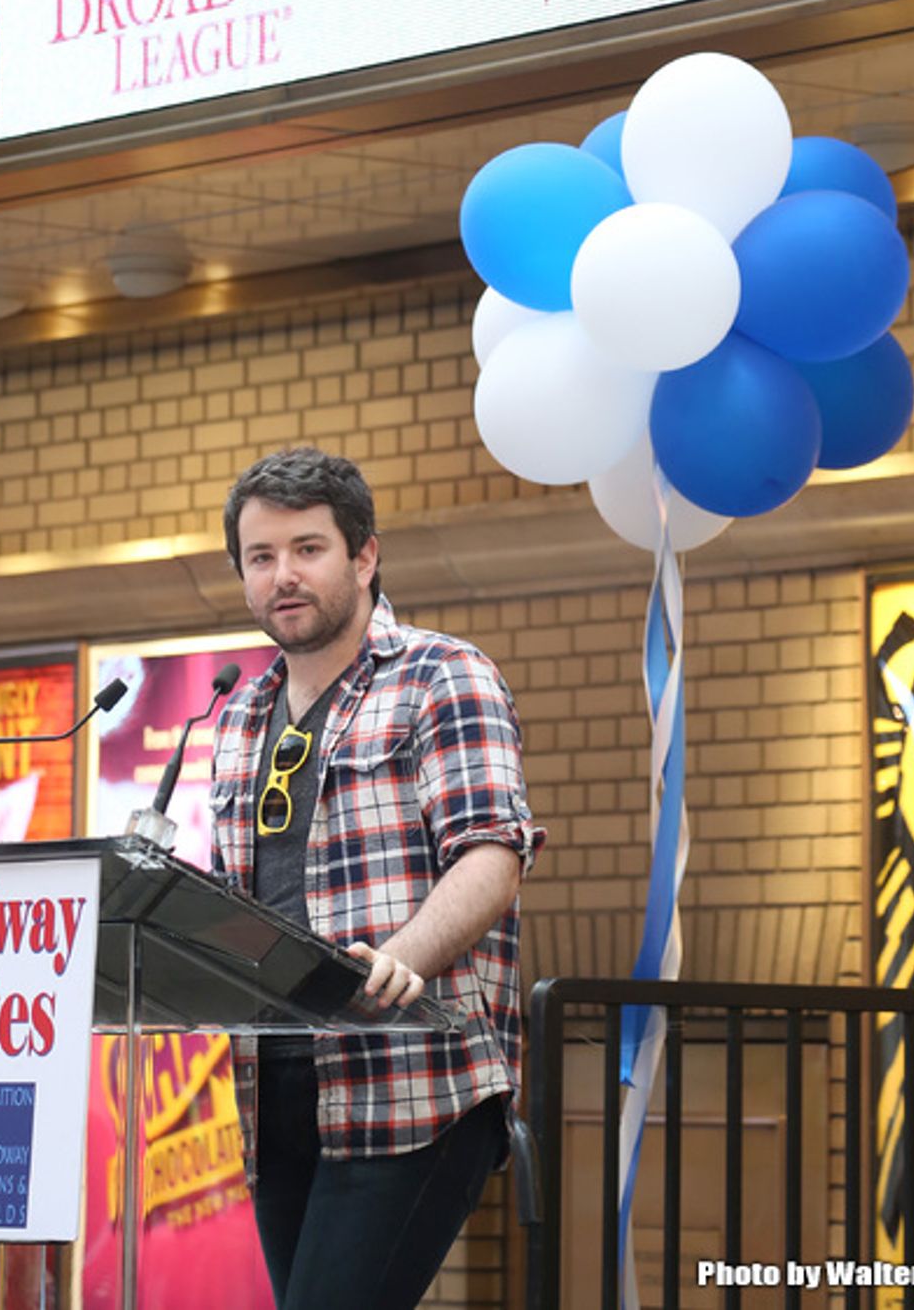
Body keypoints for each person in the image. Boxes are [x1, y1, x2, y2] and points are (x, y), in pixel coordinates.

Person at [211, 446, 544, 1310]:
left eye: (308, 549)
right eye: (261, 556)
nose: (283, 575)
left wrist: (396, 959)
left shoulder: (442, 676)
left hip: (410, 1080)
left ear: (364, 557)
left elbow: (492, 856)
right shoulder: (242, 715)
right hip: (276, 1086)